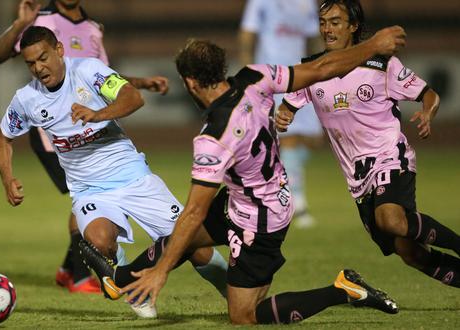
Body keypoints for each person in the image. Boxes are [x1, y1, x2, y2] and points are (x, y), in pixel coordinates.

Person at [79, 24, 407, 324]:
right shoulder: (256, 77)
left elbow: (195, 211)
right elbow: (321, 68)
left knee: (244, 315)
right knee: (184, 238)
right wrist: (373, 46)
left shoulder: (213, 138)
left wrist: (161, 272)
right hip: (247, 197)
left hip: (261, 220)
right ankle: (119, 281)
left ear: (190, 83)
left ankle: (343, 289)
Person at [0, 26, 228, 318]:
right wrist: (7, 179)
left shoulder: (88, 71)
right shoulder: (27, 99)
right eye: (30, 63)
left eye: (43, 58)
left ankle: (232, 294)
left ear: (59, 51)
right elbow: (3, 137)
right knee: (98, 240)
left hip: (133, 177)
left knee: (193, 245)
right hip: (89, 190)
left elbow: (133, 98)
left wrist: (98, 114)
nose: (39, 68)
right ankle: (129, 286)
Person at [0, 0, 172, 294]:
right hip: (56, 132)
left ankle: (73, 269)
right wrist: (20, 25)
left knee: (91, 198)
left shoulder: (92, 28)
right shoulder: (40, 20)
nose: (38, 65)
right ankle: (81, 273)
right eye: (32, 62)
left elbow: (106, 76)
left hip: (94, 126)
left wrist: (142, 83)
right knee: (85, 190)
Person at [276, 0, 460, 288]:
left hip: (389, 157)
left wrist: (427, 112)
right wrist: (284, 114)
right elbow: (289, 104)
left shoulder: (382, 65)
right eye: (323, 22)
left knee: (392, 220)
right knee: (408, 252)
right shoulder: (314, 70)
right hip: (357, 177)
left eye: (335, 22)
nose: (327, 29)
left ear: (353, 26)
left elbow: (429, 93)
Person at [239, 0, 323, 228]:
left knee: (312, 140)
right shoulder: (261, 1)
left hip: (300, 75)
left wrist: (322, 68)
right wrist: (248, 73)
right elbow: (247, 35)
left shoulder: (306, 3)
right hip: (272, 76)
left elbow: (313, 38)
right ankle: (297, 203)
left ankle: (273, 189)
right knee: (289, 138)